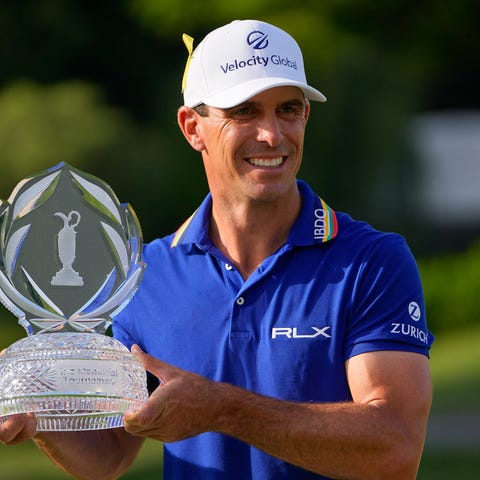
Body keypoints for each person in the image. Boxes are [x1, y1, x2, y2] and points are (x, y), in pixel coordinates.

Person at [0, 19, 433, 480]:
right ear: (193, 127)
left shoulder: (373, 261)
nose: (271, 134)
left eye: (288, 109)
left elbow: (395, 448)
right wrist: (34, 413)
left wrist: (221, 410)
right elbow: (109, 453)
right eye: (244, 112)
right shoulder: (142, 275)